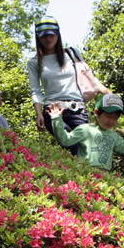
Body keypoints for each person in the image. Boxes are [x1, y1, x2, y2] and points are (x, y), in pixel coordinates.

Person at [27, 16, 110, 156]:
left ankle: (87, 177)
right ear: (38, 37)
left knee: (87, 150)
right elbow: (35, 90)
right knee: (73, 147)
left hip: (78, 109)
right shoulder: (34, 62)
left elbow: (89, 76)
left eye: (51, 34)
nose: (48, 39)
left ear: (57, 34)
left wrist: (107, 92)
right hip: (53, 111)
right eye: (44, 36)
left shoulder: (72, 53)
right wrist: (39, 114)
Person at [46, 93, 124, 171]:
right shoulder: (85, 129)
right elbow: (65, 140)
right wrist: (56, 120)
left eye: (115, 118)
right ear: (96, 112)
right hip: (84, 174)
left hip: (104, 178)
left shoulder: (113, 136)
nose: (111, 121)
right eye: (108, 116)